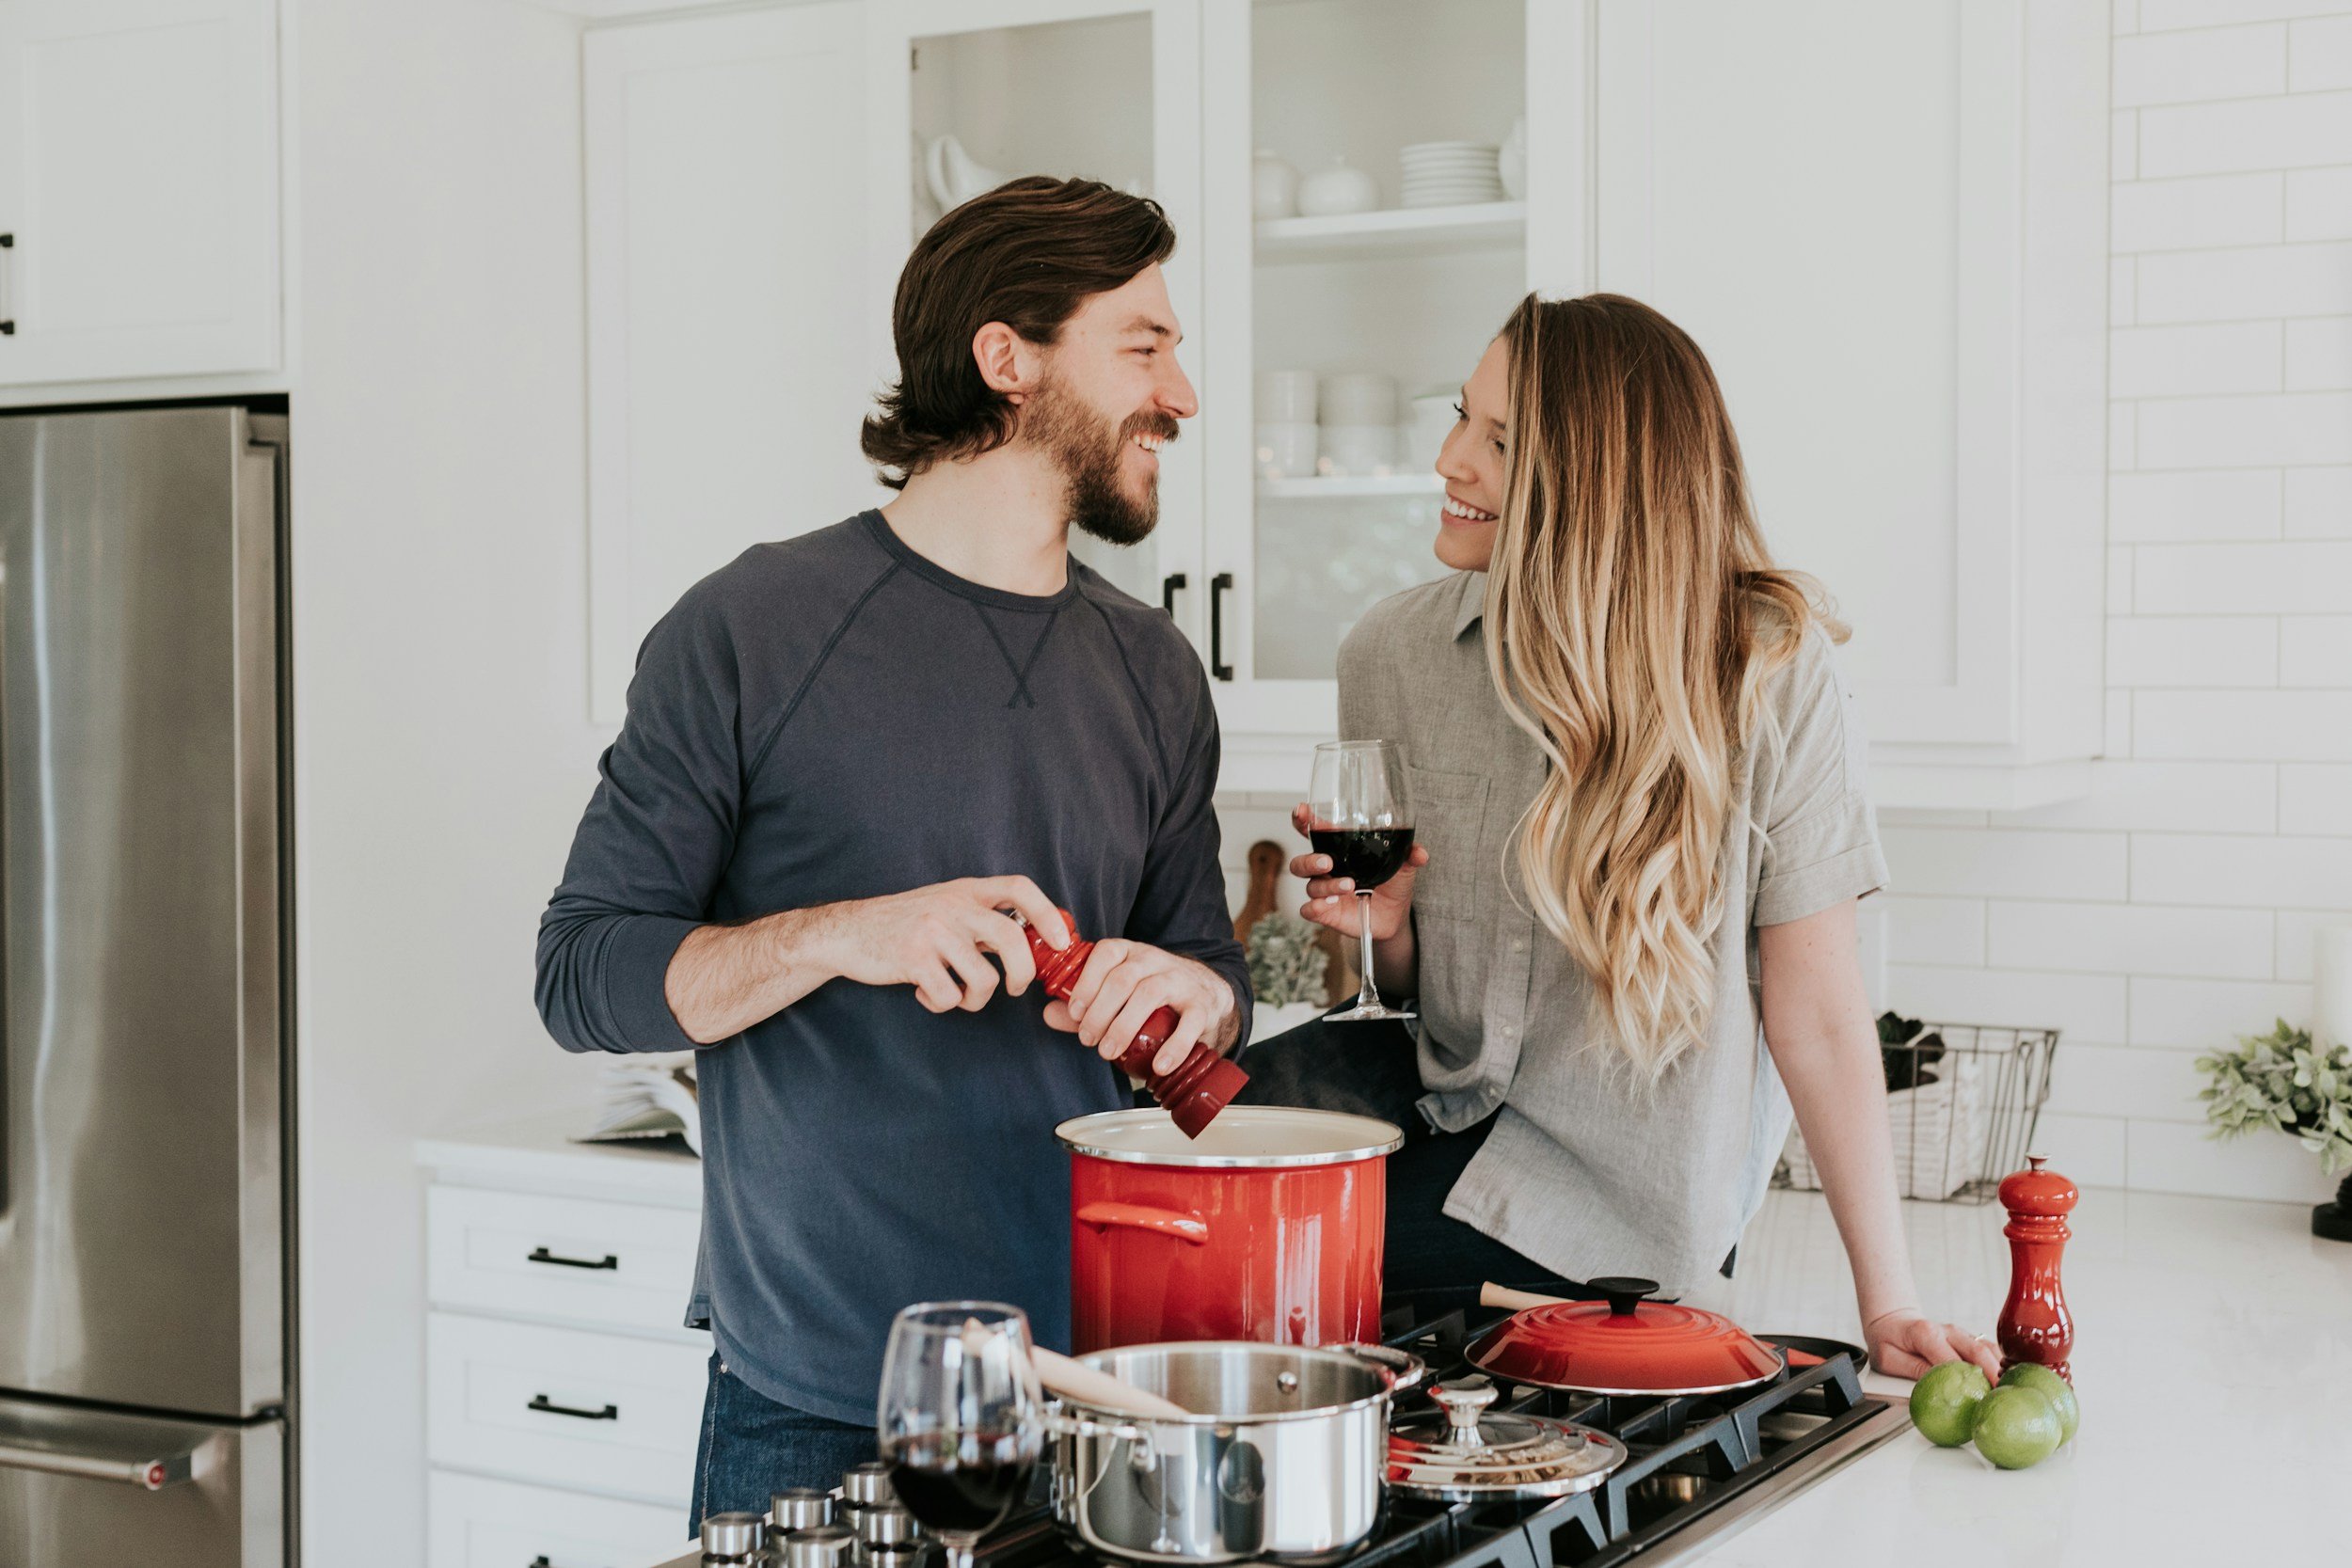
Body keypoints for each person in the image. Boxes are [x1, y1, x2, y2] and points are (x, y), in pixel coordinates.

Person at [535, 177, 1250, 1526]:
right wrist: (838, 932)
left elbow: (1212, 971)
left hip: (1099, 1395)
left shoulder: (1153, 671)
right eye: (1145, 346)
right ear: (1009, 359)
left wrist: (1194, 992)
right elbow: (582, 972)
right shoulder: (750, 628)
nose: (1184, 393)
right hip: (818, 1408)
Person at [1240, 293, 1998, 1381]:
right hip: (1430, 1135)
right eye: (1461, 416)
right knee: (1161, 1191)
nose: (1449, 458)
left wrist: (1890, 1301)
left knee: (1240, 1258)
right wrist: (1386, 931)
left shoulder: (1768, 671)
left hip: (1612, 1216)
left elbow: (1823, 1018)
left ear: (1596, 483)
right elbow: (1406, 993)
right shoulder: (1390, 653)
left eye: (1499, 441)